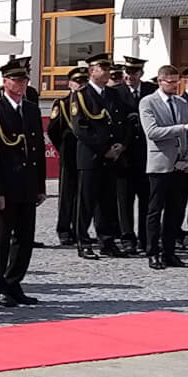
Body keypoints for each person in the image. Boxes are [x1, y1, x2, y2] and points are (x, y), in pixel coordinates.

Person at [0, 57, 45, 307]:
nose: (22, 84)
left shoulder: (31, 109)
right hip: (6, 185)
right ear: (5, 82)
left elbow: (37, 150)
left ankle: (14, 281)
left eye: (24, 79)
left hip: (27, 184)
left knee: (25, 238)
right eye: (16, 80)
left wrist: (40, 186)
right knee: (1, 239)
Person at [69, 53, 128, 260]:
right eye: (102, 68)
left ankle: (107, 241)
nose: (107, 72)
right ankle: (83, 241)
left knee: (107, 201)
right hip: (91, 156)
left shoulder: (113, 94)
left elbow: (122, 121)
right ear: (92, 71)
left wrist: (120, 145)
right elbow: (80, 128)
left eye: (108, 68)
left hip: (112, 156)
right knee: (86, 202)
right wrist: (104, 149)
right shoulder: (81, 95)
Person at [139, 65, 188, 270]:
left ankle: (169, 252)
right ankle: (153, 252)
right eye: (170, 82)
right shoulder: (148, 102)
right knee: (155, 211)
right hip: (160, 164)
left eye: (176, 82)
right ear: (160, 81)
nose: (174, 86)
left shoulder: (181, 102)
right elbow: (152, 132)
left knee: (176, 211)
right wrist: (181, 128)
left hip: (180, 165)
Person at [110, 56, 147, 253]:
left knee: (146, 199)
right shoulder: (116, 93)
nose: (130, 76)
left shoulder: (150, 90)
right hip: (124, 154)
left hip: (146, 154)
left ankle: (145, 237)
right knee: (124, 199)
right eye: (127, 72)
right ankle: (127, 237)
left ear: (141, 73)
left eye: (134, 73)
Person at [48, 66, 85, 247]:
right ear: (70, 84)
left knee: (83, 194)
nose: (80, 85)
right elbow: (53, 130)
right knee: (67, 193)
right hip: (69, 153)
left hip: (86, 153)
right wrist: (62, 148)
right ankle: (64, 230)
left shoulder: (90, 101)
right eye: (77, 81)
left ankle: (80, 230)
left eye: (83, 81)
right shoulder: (62, 103)